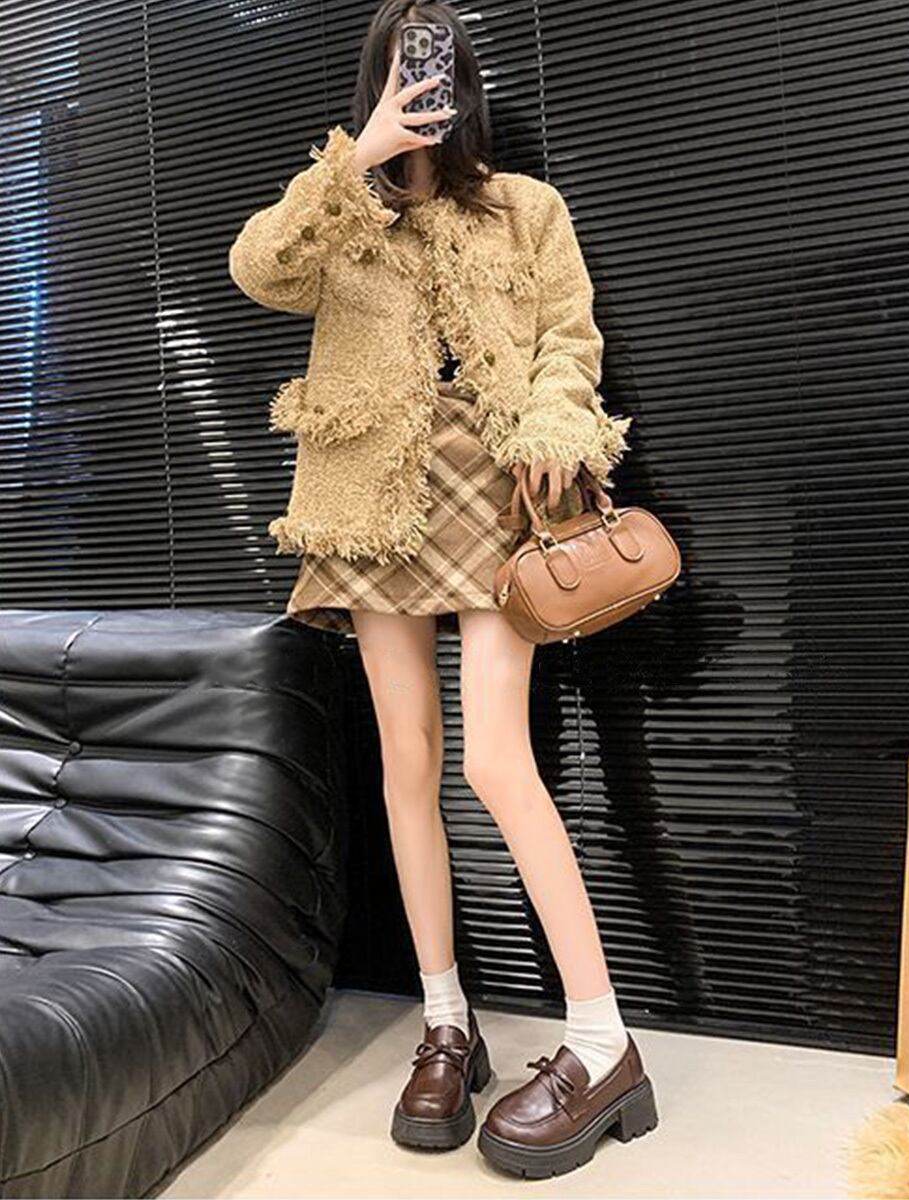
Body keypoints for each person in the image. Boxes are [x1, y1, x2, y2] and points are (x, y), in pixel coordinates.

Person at [228, 0, 655, 1179]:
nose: (424, 86)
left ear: (465, 82)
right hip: (373, 497)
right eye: (401, 71)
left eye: (439, 69)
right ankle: (446, 1023)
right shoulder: (343, 214)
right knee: (405, 761)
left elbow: (570, 339)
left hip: (498, 494)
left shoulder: (526, 207)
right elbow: (257, 267)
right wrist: (354, 158)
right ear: (376, 82)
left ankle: (602, 1039)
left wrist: (558, 428)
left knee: (493, 763)